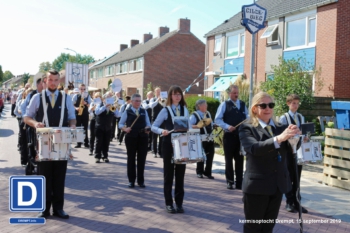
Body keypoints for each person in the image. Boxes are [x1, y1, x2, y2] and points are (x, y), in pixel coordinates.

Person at [238, 92, 301, 233]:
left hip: (277, 185)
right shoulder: (247, 127)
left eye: (271, 105)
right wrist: (279, 138)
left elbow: (292, 149)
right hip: (257, 187)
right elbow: (254, 148)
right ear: (255, 108)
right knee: (253, 227)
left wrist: (295, 139)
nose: (268, 108)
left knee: (268, 227)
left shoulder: (280, 127)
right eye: (263, 105)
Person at [24, 69, 76, 219]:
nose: (53, 83)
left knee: (60, 177)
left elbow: (72, 117)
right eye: (50, 80)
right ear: (45, 81)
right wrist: (35, 123)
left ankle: (58, 208)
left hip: (61, 141)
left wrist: (72, 125)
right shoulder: (37, 98)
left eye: (56, 80)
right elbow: (27, 117)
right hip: (44, 143)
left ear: (59, 81)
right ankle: (44, 209)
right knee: (44, 176)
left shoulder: (66, 98)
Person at [151, 85, 190, 214]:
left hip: (182, 145)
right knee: (168, 175)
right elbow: (154, 126)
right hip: (168, 145)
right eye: (175, 94)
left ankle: (179, 203)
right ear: (170, 96)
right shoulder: (165, 110)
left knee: (180, 175)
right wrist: (163, 131)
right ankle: (169, 203)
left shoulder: (185, 109)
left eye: (179, 94)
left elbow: (188, 126)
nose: (177, 96)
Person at [214, 84, 248, 190]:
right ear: (229, 93)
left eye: (237, 93)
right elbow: (217, 119)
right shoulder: (224, 104)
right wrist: (227, 126)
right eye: (234, 93)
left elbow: (247, 117)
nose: (236, 95)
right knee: (228, 160)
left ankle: (239, 182)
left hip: (240, 136)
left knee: (240, 159)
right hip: (229, 136)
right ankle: (229, 181)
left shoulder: (242, 104)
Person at [279, 94, 308, 214]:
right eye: (293, 103)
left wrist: (305, 137)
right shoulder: (284, 118)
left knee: (297, 177)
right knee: (289, 176)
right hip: (288, 151)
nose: (296, 105)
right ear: (288, 104)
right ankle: (289, 202)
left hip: (298, 150)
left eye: (297, 103)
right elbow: (281, 134)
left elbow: (304, 132)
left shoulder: (301, 117)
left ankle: (297, 202)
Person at [119, 93, 151, 187]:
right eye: (136, 101)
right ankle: (131, 180)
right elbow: (120, 124)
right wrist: (125, 129)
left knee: (142, 159)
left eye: (139, 101)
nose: (138, 102)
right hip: (131, 137)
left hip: (143, 137)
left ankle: (141, 181)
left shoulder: (144, 111)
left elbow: (148, 123)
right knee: (131, 158)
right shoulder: (127, 111)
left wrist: (148, 128)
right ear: (132, 101)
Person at [190, 99, 215, 179]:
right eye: (205, 104)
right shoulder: (194, 115)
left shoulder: (208, 114)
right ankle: (199, 172)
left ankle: (208, 172)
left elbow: (211, 123)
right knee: (200, 156)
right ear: (199, 106)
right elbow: (189, 125)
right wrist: (197, 126)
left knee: (210, 155)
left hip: (209, 137)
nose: (206, 106)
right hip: (200, 138)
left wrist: (214, 125)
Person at [94, 92, 120, 163]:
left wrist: (114, 108)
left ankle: (105, 156)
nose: (109, 99)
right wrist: (105, 107)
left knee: (106, 142)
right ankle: (97, 156)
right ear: (104, 99)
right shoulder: (100, 105)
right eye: (107, 97)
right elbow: (96, 112)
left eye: (110, 97)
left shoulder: (112, 107)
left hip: (108, 127)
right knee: (99, 142)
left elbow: (118, 115)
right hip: (99, 126)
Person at [14, 88, 32, 167]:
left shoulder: (35, 102)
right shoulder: (22, 102)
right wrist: (21, 116)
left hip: (32, 123)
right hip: (24, 123)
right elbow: (16, 111)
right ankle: (24, 160)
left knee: (33, 142)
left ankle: (33, 158)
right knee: (24, 141)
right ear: (25, 94)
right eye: (29, 94)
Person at [72, 84, 91, 148]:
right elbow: (72, 104)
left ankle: (86, 143)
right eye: (81, 89)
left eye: (84, 89)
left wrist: (86, 103)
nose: (83, 90)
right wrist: (76, 108)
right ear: (79, 89)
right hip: (78, 114)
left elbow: (90, 105)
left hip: (85, 114)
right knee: (78, 128)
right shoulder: (76, 96)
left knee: (85, 128)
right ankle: (79, 143)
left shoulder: (87, 96)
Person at [149, 87, 164, 158]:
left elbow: (165, 106)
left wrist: (162, 100)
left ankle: (160, 151)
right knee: (154, 137)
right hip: (154, 119)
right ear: (155, 92)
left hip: (162, 120)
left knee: (161, 136)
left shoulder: (163, 99)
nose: (158, 93)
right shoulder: (153, 99)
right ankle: (154, 151)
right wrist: (157, 100)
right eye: (157, 91)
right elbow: (151, 105)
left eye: (159, 91)